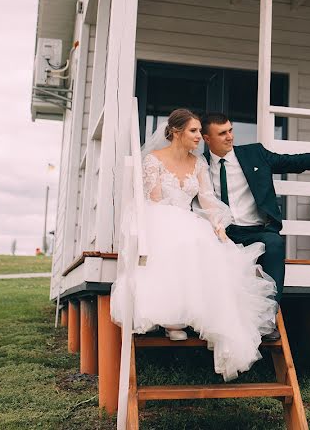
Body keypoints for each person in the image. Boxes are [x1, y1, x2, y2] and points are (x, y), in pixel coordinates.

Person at [111, 109, 278, 381]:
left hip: (188, 218)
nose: (200, 137)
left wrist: (218, 224)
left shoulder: (198, 164)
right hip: (158, 216)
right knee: (177, 242)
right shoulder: (153, 161)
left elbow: (208, 199)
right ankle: (170, 318)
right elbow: (149, 201)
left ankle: (204, 320)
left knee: (211, 248)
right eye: (194, 131)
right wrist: (168, 220)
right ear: (176, 132)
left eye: (200, 131)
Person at [200, 112, 310, 340]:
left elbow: (294, 162)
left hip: (258, 230)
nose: (229, 137)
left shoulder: (254, 154)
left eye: (230, 130)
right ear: (207, 139)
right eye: (222, 133)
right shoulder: (199, 165)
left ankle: (268, 319)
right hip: (223, 234)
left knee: (274, 244)